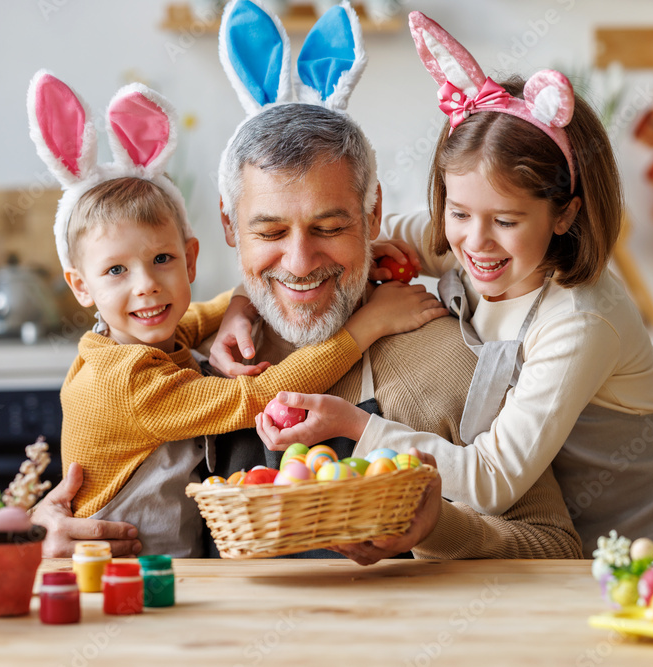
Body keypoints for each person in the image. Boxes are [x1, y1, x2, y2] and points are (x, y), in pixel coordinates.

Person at [32, 0, 583, 562]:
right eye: (269, 231)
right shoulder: (172, 351)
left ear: (373, 218)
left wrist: (440, 528)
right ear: (228, 224)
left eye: (329, 226)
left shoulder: (444, 359)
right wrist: (37, 531)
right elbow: (74, 496)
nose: (298, 262)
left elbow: (559, 549)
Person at [250, 11, 653, 557]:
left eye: (507, 221)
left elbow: (492, 479)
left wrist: (354, 425)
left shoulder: (578, 320)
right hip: (563, 548)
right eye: (459, 212)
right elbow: (356, 245)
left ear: (564, 215)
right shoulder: (463, 242)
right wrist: (240, 304)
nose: (476, 243)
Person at [27, 72, 446, 556]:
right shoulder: (126, 378)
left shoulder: (158, 335)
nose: (146, 287)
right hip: (136, 582)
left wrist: (243, 303)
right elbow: (259, 394)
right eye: (269, 234)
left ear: (190, 258)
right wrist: (368, 325)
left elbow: (203, 312)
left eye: (329, 227)